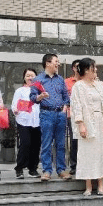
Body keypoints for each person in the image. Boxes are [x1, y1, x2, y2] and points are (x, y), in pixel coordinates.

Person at [71, 58, 103, 196]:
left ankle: (101, 185)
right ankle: (88, 186)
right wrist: (80, 124)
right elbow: (76, 106)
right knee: (87, 154)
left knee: (101, 153)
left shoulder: (99, 85)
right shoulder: (78, 86)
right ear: (85, 70)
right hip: (87, 122)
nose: (95, 70)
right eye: (93, 68)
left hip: (100, 122)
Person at [30, 53, 72, 182]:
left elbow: (66, 97)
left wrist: (64, 108)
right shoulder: (38, 79)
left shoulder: (60, 79)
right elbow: (32, 98)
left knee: (61, 144)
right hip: (46, 113)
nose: (58, 64)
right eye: (56, 61)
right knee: (46, 143)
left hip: (60, 114)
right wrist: (40, 96)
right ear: (48, 63)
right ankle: (47, 170)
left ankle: (61, 170)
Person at [11, 68, 41, 179]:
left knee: (36, 146)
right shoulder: (20, 90)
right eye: (28, 75)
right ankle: (19, 168)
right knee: (25, 144)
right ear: (24, 78)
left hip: (37, 121)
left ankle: (32, 169)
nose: (30, 78)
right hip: (23, 121)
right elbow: (14, 105)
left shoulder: (40, 90)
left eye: (32, 75)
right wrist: (15, 110)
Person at [65, 60, 81, 176]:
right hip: (72, 115)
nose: (79, 69)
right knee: (74, 141)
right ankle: (74, 165)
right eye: (76, 67)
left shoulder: (87, 81)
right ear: (73, 68)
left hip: (86, 115)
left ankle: (84, 165)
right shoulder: (67, 82)